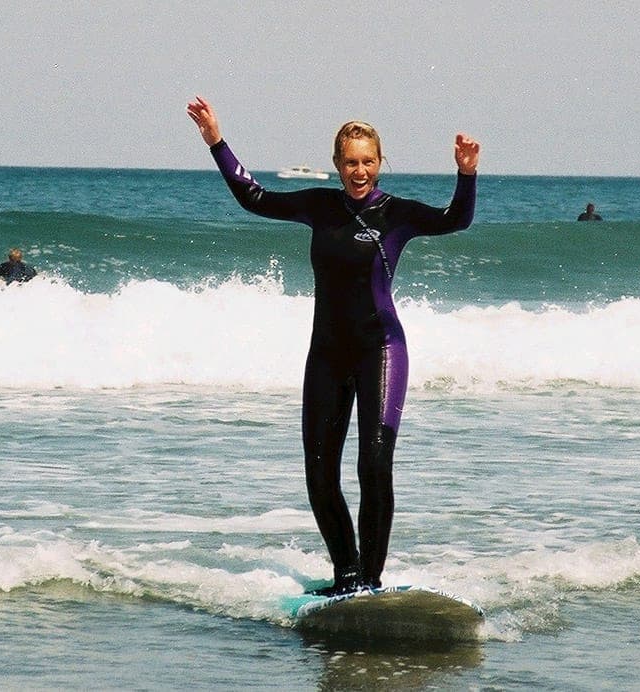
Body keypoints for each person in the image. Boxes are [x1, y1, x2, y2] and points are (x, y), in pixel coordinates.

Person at [187, 96, 480, 595]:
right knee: (319, 476)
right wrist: (217, 140)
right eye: (350, 162)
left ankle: (371, 581)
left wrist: (466, 175)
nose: (359, 171)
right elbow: (254, 198)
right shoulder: (320, 206)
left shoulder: (396, 214)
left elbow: (456, 219)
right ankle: (346, 577)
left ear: (380, 162)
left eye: (368, 161)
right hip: (326, 355)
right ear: (337, 164)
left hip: (380, 351)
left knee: (373, 465)